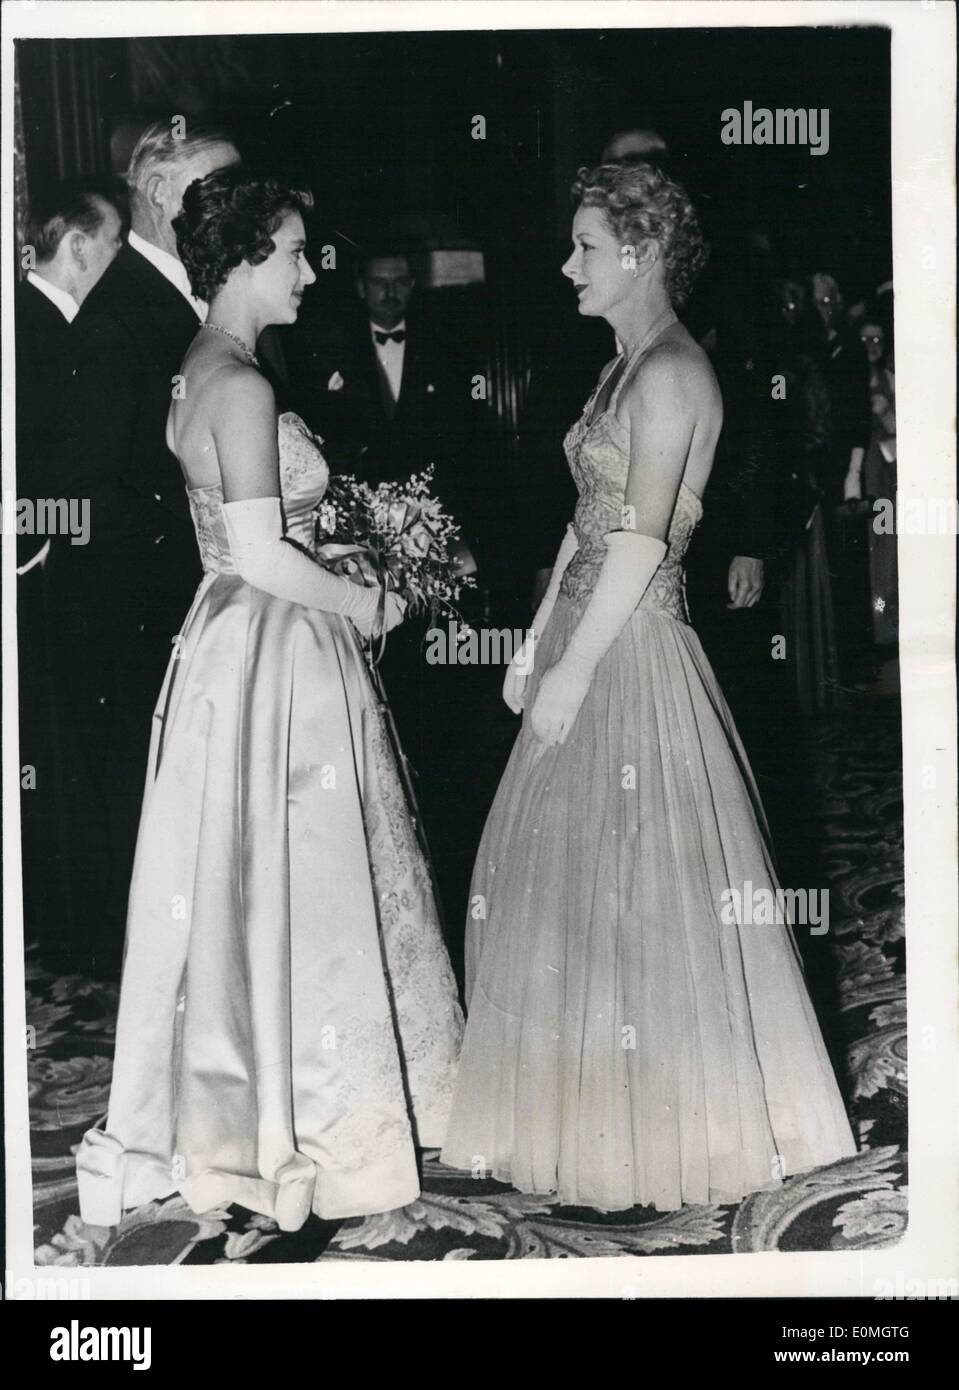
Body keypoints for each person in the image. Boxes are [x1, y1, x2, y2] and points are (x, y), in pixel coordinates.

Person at [440, 162, 857, 1213]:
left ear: (639, 253)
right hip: (586, 627)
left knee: (641, 889)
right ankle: (583, 1109)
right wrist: (535, 639)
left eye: (584, 245)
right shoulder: (621, 365)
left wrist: (574, 668)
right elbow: (583, 522)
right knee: (572, 883)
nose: (566, 263)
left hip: (632, 644)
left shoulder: (673, 372)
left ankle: (661, 1126)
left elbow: (639, 540)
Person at [75, 167, 463, 1231]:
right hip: (277, 645)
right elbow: (257, 548)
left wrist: (327, 547)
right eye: (293, 250)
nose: (308, 269)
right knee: (306, 878)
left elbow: (240, 531)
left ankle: (255, 1095)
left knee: (249, 882)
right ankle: (316, 1123)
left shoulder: (199, 366)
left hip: (227, 641)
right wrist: (361, 598)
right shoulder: (240, 383)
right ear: (247, 256)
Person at [50, 121, 240, 975]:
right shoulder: (119, 313)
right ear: (163, 196)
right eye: (219, 188)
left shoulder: (191, 298)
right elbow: (86, 495)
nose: (239, 207)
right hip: (143, 618)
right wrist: (209, 555)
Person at [16, 180, 124, 962]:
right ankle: (64, 931)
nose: (117, 260)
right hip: (34, 581)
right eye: (114, 244)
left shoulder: (53, 328)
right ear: (80, 246)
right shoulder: (31, 329)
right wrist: (42, 542)